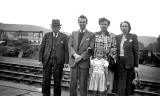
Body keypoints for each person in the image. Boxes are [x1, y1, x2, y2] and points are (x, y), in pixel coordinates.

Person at [39, 19, 69, 96]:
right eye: (53, 26)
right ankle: (45, 94)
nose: (55, 28)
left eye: (57, 26)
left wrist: (66, 62)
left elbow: (66, 50)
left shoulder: (64, 36)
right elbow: (42, 47)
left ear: (59, 27)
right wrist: (40, 60)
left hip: (59, 61)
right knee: (46, 80)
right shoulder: (47, 35)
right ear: (51, 27)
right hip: (47, 60)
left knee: (57, 81)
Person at [89, 17, 117, 95]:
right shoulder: (95, 35)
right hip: (96, 62)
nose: (103, 25)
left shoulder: (112, 36)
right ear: (99, 25)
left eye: (105, 24)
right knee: (95, 84)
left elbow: (114, 48)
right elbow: (91, 47)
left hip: (106, 63)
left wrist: (110, 58)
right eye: (102, 24)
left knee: (104, 85)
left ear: (108, 25)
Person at [68, 15, 93, 96]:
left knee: (83, 85)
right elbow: (70, 45)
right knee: (72, 84)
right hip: (74, 62)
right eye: (80, 22)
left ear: (87, 22)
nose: (82, 23)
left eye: (84, 22)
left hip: (84, 63)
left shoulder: (91, 35)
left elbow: (91, 49)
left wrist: (81, 57)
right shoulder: (73, 33)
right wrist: (75, 55)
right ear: (78, 22)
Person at [115, 21, 139, 96]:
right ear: (120, 27)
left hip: (129, 63)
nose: (124, 27)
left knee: (129, 84)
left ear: (129, 27)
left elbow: (136, 52)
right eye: (122, 26)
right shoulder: (117, 37)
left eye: (126, 26)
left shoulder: (133, 36)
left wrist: (136, 66)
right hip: (119, 62)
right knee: (120, 83)